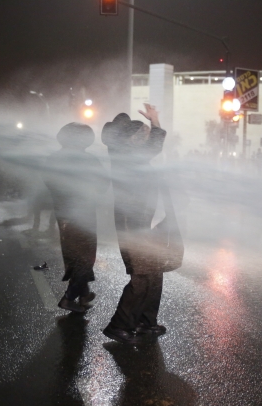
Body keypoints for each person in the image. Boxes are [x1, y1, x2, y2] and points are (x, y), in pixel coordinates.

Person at [101, 104, 168, 345]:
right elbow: (153, 148)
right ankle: (118, 325)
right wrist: (154, 124)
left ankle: (145, 321)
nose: (145, 138)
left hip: (146, 224)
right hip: (133, 225)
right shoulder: (123, 156)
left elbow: (152, 146)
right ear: (127, 139)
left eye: (145, 134)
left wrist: (155, 122)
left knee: (154, 273)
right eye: (140, 135)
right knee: (142, 276)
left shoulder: (132, 155)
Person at [42, 123, 109, 313]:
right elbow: (103, 185)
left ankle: (84, 293)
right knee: (85, 257)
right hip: (84, 216)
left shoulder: (53, 159)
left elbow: (50, 184)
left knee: (75, 255)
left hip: (63, 215)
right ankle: (69, 298)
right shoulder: (89, 160)